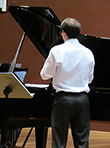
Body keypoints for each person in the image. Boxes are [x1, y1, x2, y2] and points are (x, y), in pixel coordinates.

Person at [40, 18, 95, 148]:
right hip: (82, 100)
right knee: (82, 141)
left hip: (63, 100)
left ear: (63, 33)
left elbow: (44, 75)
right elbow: (90, 78)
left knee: (59, 140)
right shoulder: (88, 52)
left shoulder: (57, 50)